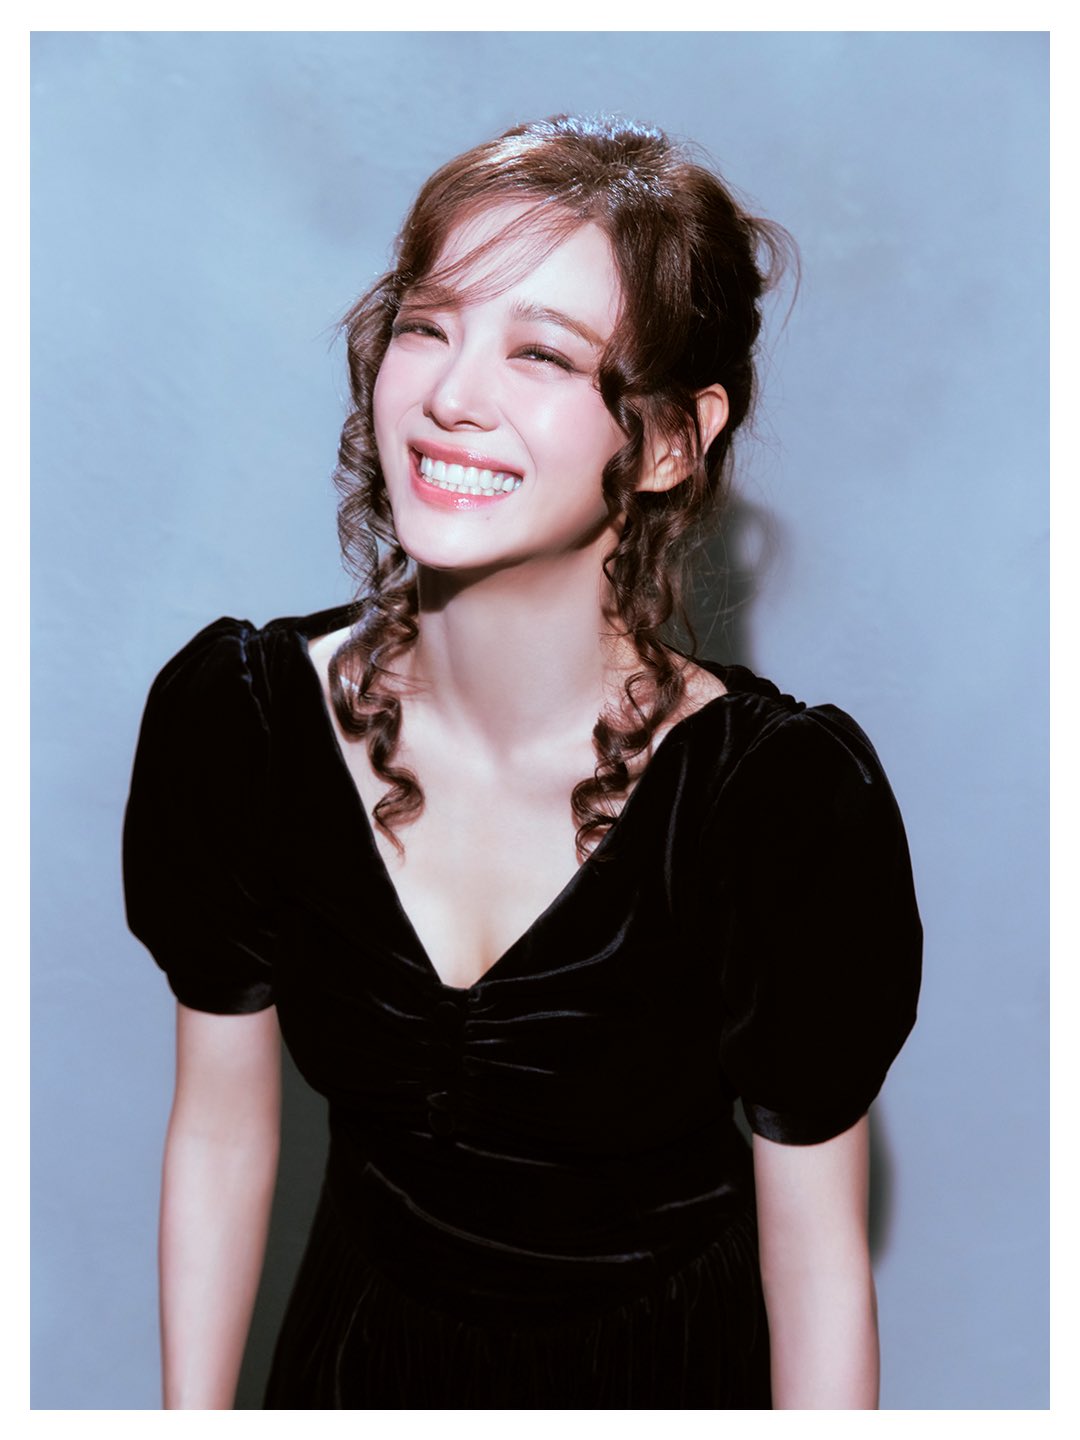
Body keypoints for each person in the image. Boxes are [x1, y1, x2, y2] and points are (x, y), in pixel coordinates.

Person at [123, 113, 922, 1409]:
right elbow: (217, 1137)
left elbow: (822, 1266)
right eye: (427, 326)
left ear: (669, 441)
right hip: (351, 1373)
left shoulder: (779, 804)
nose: (451, 395)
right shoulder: (243, 722)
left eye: (541, 352)